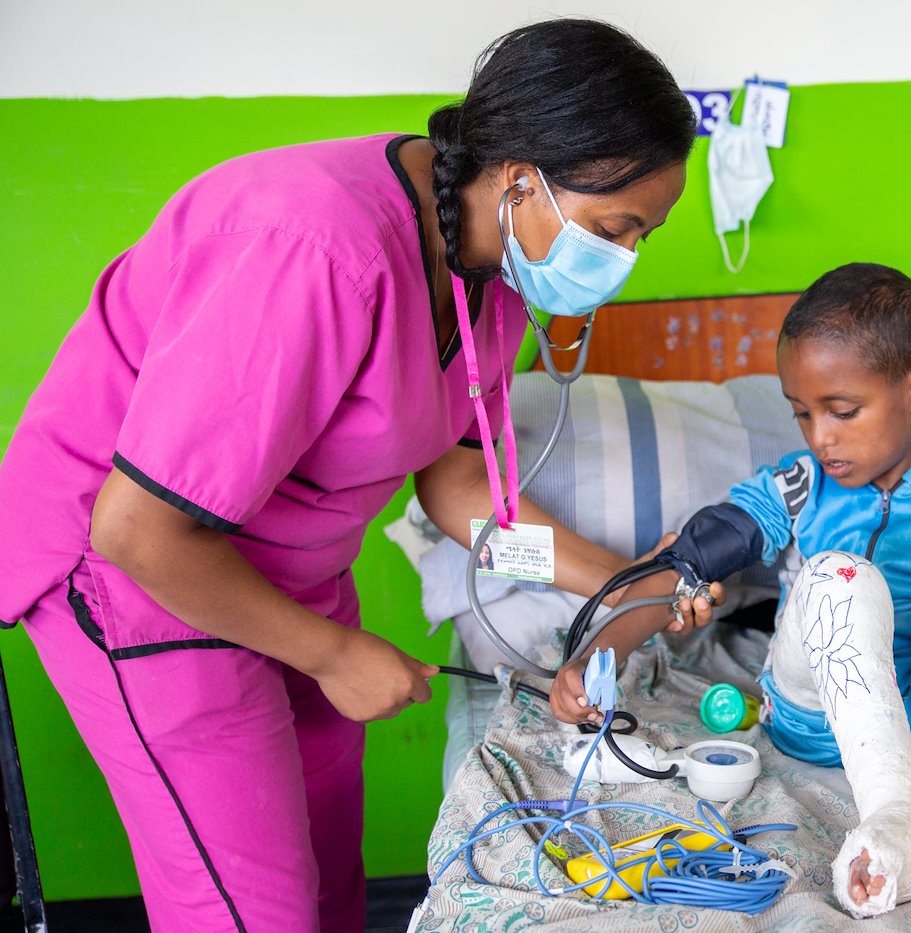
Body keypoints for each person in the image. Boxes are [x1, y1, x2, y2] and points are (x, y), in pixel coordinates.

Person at [0, 19, 698, 933]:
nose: (625, 259)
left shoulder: (490, 276)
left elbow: (457, 494)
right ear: (524, 175)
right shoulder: (314, 248)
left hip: (291, 577)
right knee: (256, 913)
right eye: (619, 228)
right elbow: (137, 529)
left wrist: (618, 582)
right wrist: (331, 653)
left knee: (331, 886)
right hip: (145, 581)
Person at [551, 263, 911, 922]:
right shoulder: (799, 484)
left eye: (842, 411)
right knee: (837, 574)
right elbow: (686, 562)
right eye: (802, 413)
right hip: (815, 718)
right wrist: (590, 660)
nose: (819, 437)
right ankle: (900, 811)